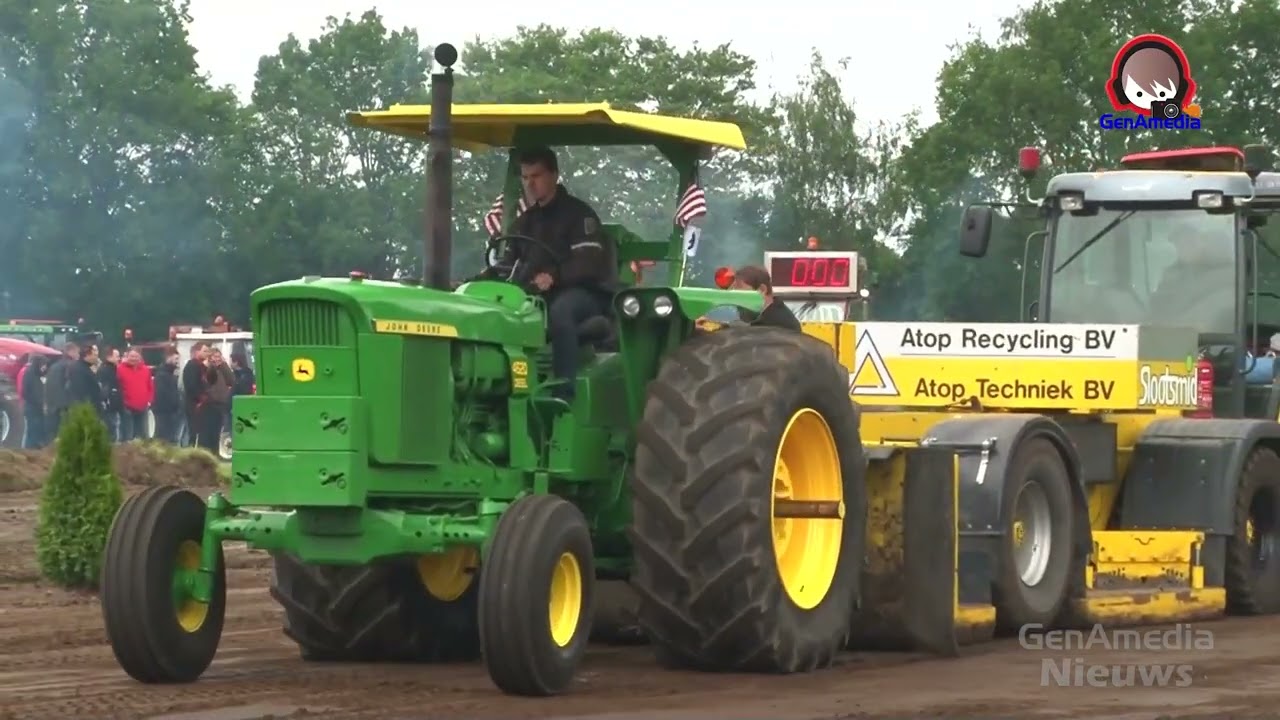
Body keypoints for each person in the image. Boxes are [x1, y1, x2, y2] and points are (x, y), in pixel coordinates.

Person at [481, 146, 617, 401]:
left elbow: (588, 263)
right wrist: (477, 281)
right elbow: (506, 265)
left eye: (537, 176)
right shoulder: (524, 222)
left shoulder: (579, 215)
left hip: (585, 293)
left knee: (560, 312)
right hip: (535, 292)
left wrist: (555, 276)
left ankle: (564, 391)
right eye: (525, 178)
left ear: (554, 175)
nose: (530, 184)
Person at [729, 265, 803, 332]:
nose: (737, 300)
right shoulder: (765, 317)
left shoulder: (780, 325)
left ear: (762, 290)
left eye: (740, 292)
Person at [198, 349, 235, 452]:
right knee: (209, 431)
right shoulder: (207, 369)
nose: (217, 359)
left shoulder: (222, 369)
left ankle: (216, 452)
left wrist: (224, 365)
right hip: (211, 404)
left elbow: (232, 380)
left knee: (218, 431)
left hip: (222, 403)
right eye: (215, 356)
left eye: (219, 356)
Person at [117, 348, 154, 442]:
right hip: (127, 408)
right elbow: (118, 387)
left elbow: (150, 387)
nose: (134, 358)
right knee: (128, 436)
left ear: (140, 357)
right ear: (127, 356)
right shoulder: (120, 369)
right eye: (131, 356)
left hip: (143, 407)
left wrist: (149, 401)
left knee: (144, 435)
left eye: (136, 356)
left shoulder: (146, 370)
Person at [44, 342, 78, 438]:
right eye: (76, 352)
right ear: (70, 352)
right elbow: (70, 384)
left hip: (52, 403)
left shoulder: (54, 366)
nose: (78, 355)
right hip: (65, 404)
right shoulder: (70, 365)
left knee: (54, 432)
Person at [181, 342, 210, 447]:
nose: (208, 354)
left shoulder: (202, 367)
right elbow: (191, 386)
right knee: (192, 430)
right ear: (197, 352)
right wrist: (201, 397)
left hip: (203, 404)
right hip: (193, 404)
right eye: (205, 351)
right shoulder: (191, 366)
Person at [153, 348, 183, 443]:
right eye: (176, 359)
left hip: (172, 411)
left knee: (170, 437)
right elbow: (162, 394)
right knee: (163, 437)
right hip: (164, 412)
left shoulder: (171, 374)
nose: (177, 362)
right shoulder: (162, 374)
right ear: (168, 358)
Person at [68, 342, 104, 416]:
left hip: (89, 407)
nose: (97, 358)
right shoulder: (79, 369)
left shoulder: (86, 367)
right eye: (95, 355)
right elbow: (81, 391)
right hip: (85, 409)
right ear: (87, 355)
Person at [20, 355, 48, 449]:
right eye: (44, 365)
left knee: (33, 432)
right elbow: (27, 392)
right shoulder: (31, 374)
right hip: (33, 409)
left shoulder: (36, 374)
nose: (45, 367)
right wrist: (40, 402)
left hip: (34, 408)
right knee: (32, 433)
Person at [96, 346, 123, 442]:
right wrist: (108, 402)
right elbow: (105, 389)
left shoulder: (112, 369)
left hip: (113, 405)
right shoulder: (106, 371)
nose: (119, 358)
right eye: (117, 356)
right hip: (110, 406)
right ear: (109, 357)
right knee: (112, 429)